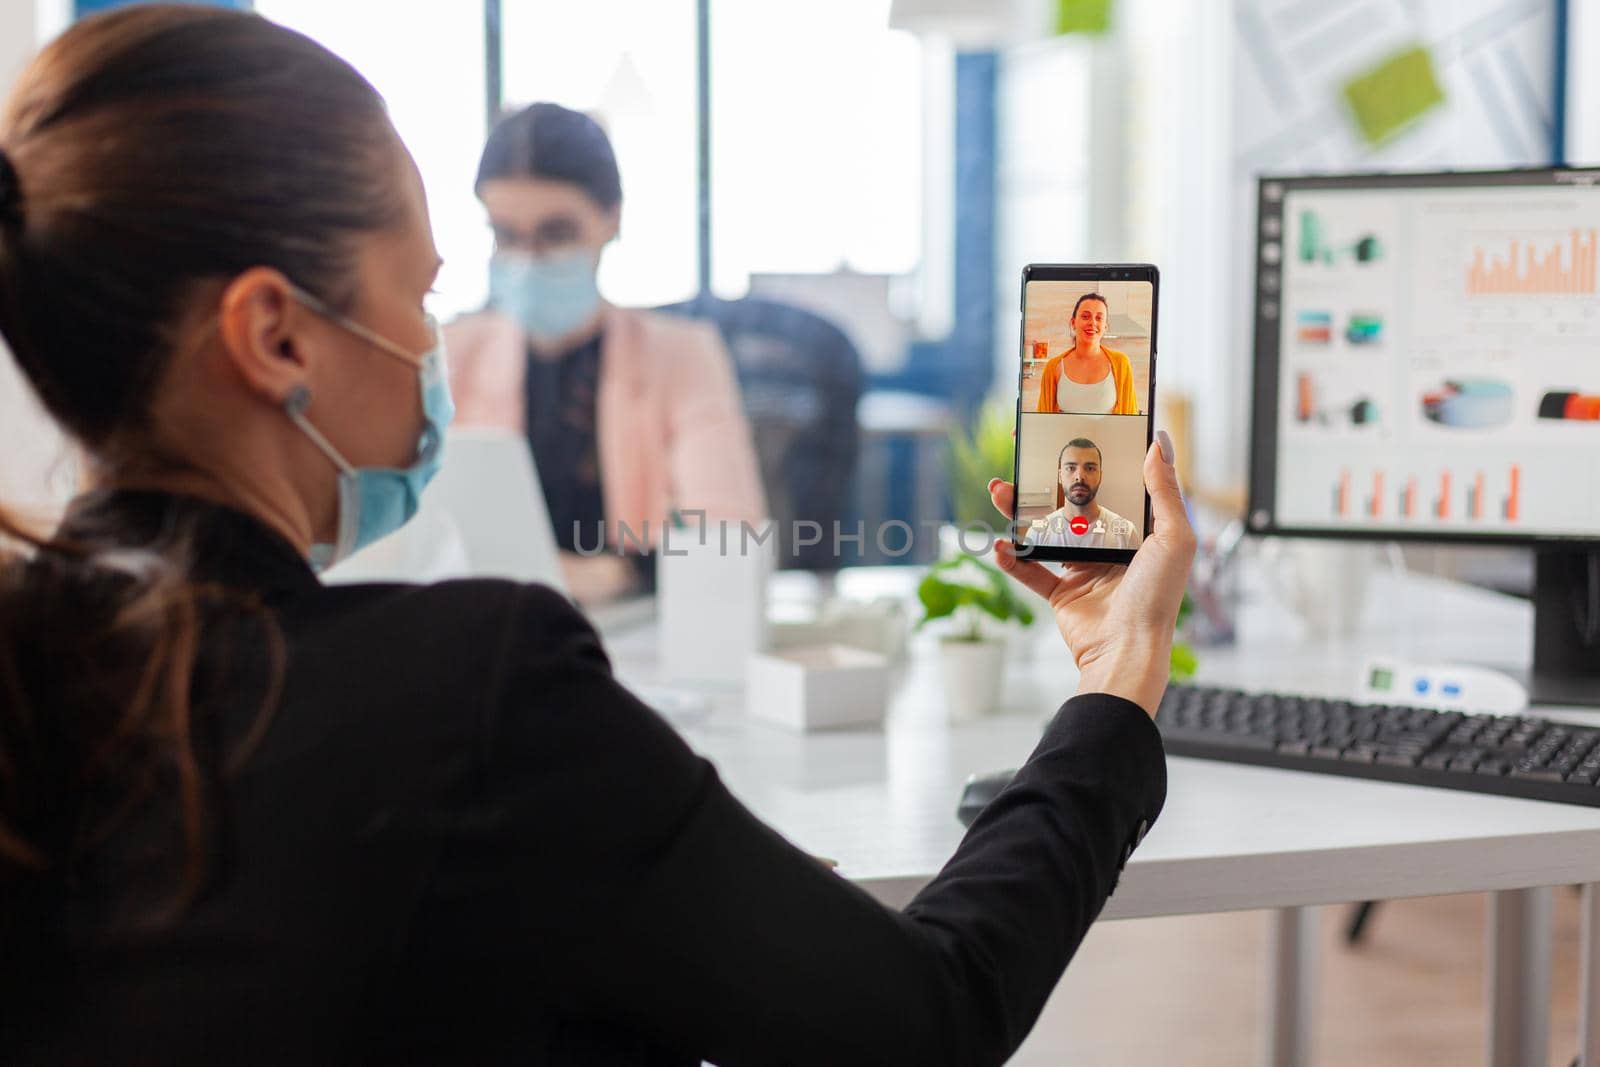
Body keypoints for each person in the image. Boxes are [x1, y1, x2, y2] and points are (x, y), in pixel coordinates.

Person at [0, 8, 1195, 1065]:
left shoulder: (30, 657)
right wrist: (1122, 674)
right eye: (419, 292)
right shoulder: (477, 685)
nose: (441, 331)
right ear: (274, 335)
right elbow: (928, 1019)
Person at [444, 103, 764, 605]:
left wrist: (620, 574)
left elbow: (729, 536)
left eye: (557, 233)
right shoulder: (451, 356)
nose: (528, 259)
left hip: (634, 631)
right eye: (506, 235)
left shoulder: (683, 356)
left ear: (610, 220)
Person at [1035, 292, 1141, 414]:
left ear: (1105, 327)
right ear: (1073, 323)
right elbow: (1043, 418)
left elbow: (1130, 417)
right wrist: (1026, 429)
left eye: (1099, 318)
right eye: (1085, 317)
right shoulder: (1053, 367)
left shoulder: (1121, 363)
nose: (1092, 323)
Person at [1029, 438, 1139, 549]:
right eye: (1071, 468)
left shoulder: (1125, 534)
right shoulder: (1037, 533)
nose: (1080, 477)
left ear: (1100, 476)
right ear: (1059, 476)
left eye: (1090, 468)